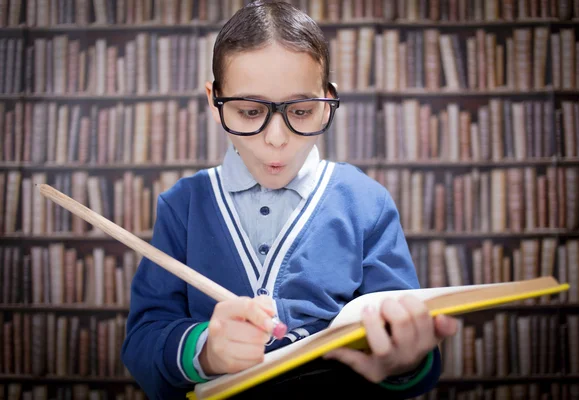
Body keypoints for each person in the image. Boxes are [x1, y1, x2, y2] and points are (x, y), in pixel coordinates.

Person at [121, 1, 458, 399]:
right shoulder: (183, 206)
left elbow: (410, 345)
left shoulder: (366, 202)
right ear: (215, 100)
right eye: (249, 111)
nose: (276, 138)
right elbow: (142, 340)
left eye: (301, 110)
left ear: (328, 99)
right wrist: (205, 350)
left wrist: (405, 360)